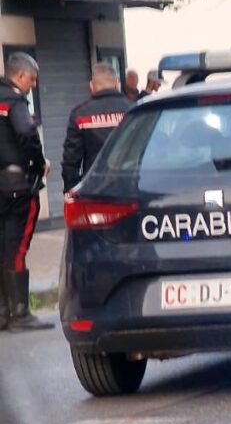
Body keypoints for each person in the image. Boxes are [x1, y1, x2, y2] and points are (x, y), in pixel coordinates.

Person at [0, 53, 52, 331]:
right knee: (16, 248)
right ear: (20, 76)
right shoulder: (15, 101)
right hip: (18, 187)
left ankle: (2, 313)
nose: (33, 85)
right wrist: (39, 163)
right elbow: (28, 133)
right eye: (31, 79)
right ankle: (20, 314)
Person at [61, 63, 134, 193]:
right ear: (117, 84)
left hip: (94, 190)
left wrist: (70, 189)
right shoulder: (133, 111)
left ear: (91, 86)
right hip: (129, 187)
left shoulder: (80, 114)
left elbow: (71, 160)